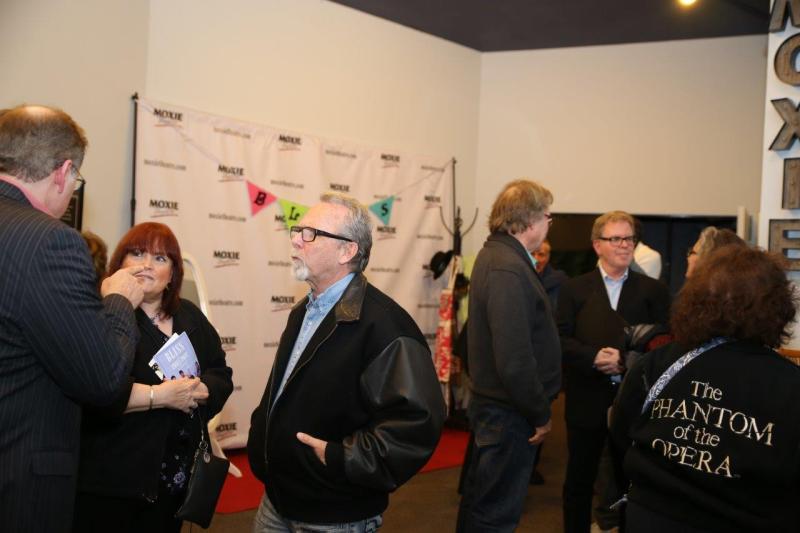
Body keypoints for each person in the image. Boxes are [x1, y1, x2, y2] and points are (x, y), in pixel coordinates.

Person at [248, 193, 445, 532]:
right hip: (278, 499)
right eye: (297, 230)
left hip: (335, 514)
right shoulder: (302, 312)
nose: (296, 239)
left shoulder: (386, 327)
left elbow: (416, 424)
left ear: (347, 251)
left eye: (310, 233)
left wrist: (341, 459)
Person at [0, 104, 144, 533]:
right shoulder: (51, 243)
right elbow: (103, 380)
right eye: (76, 180)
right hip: (18, 481)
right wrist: (118, 300)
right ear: (63, 173)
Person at [610, 245, 800, 532]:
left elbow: (621, 435)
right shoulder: (790, 383)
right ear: (778, 307)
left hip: (652, 516)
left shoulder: (658, 362)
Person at [73, 222, 234, 533]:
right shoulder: (100, 315)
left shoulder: (189, 316)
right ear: (118, 265)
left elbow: (220, 371)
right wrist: (160, 397)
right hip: (113, 481)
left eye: (160, 259)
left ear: (172, 275)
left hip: (173, 479)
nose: (146, 265)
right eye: (136, 254)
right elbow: (95, 393)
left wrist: (202, 389)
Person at [456, 179, 562, 532]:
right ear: (530, 220)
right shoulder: (507, 266)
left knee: (481, 505)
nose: (550, 224)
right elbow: (514, 359)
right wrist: (540, 413)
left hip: (501, 410)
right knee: (494, 514)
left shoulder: (500, 255)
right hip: (510, 414)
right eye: (548, 216)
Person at [557, 210, 670, 533]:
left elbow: (665, 343)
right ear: (597, 245)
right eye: (616, 238)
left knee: (631, 482)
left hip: (634, 405)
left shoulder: (654, 291)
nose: (625, 245)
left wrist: (626, 360)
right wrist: (592, 356)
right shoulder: (574, 290)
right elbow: (559, 338)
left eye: (629, 238)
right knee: (579, 479)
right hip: (586, 399)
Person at [533, 238, 569, 309]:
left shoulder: (560, 282)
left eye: (541, 255)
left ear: (548, 257)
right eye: (531, 254)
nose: (535, 259)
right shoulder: (517, 278)